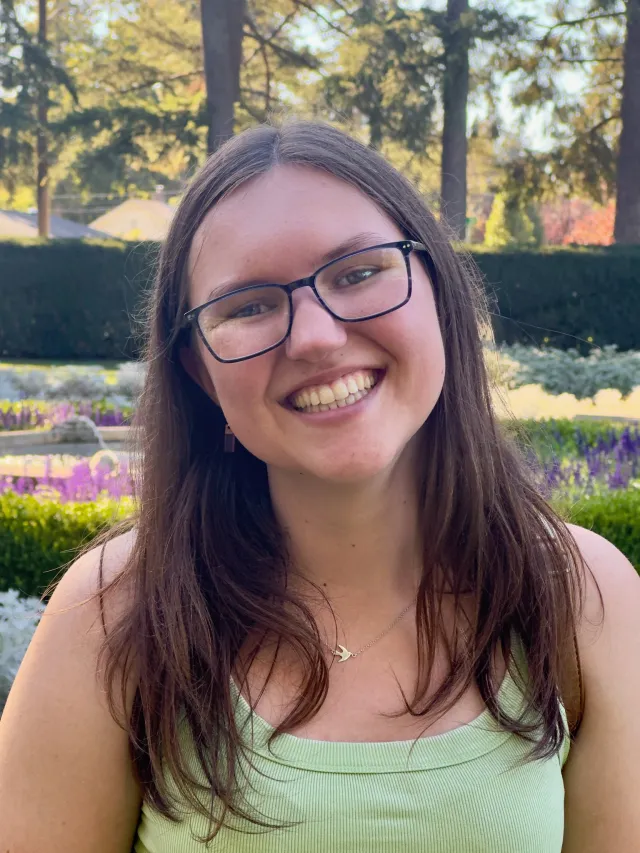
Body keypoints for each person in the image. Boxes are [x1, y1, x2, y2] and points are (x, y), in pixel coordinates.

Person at [1, 121, 639, 853]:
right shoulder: (113, 616)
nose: (315, 335)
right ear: (198, 375)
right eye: (247, 305)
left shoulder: (586, 598)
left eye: (359, 272)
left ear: (439, 289)